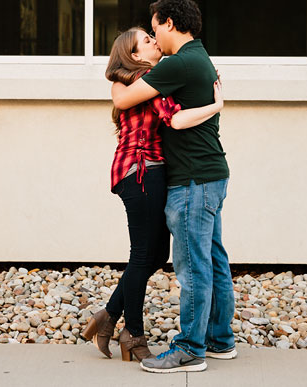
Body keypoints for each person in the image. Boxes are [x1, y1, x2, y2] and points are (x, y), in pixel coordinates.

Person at [82, 27, 223, 363]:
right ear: (134, 55)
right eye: (146, 41)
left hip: (145, 172)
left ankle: (108, 315)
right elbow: (174, 118)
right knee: (144, 253)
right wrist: (216, 104)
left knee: (155, 255)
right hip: (141, 171)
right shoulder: (148, 80)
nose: (153, 41)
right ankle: (133, 333)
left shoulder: (135, 80)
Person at [111, 0, 236, 374]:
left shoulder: (178, 64)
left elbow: (122, 94)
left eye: (154, 29)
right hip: (212, 173)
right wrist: (217, 106)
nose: (153, 36)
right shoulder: (201, 57)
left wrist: (216, 107)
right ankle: (220, 340)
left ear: (168, 23)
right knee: (213, 260)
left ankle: (190, 350)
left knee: (193, 266)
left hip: (192, 179)